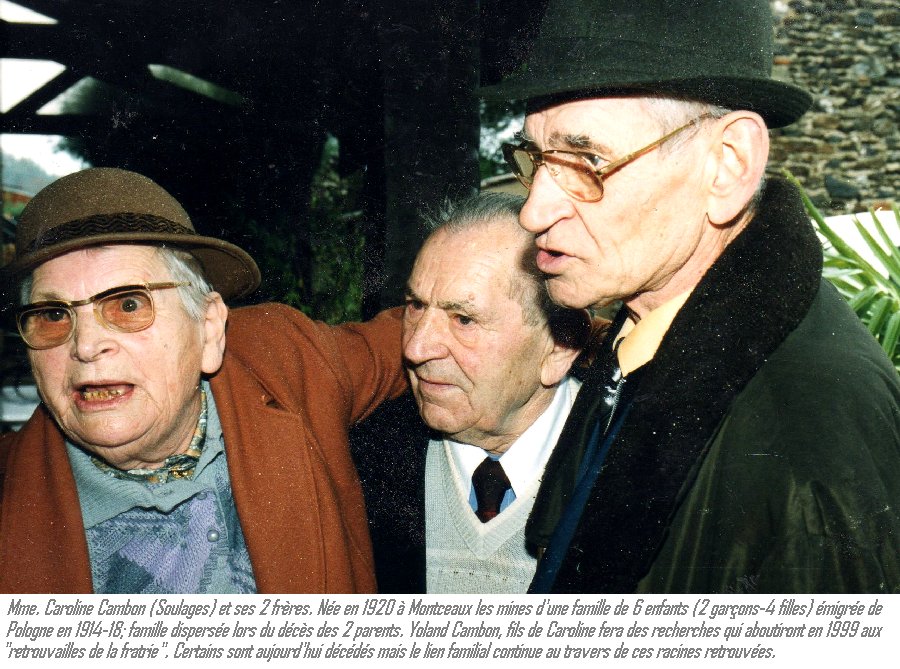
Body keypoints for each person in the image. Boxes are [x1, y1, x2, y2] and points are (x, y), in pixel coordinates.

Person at [482, 0, 900, 593]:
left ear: (727, 165)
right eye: (535, 159)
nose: (532, 212)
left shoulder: (809, 443)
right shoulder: (639, 347)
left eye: (588, 161)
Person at [0, 167, 407, 594]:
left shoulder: (287, 360)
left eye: (128, 304)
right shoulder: (13, 493)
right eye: (53, 315)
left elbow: (423, 336)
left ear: (209, 328)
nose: (85, 345)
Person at [350, 192, 590, 593]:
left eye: (463, 319)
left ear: (558, 348)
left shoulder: (622, 469)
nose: (415, 348)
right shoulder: (367, 459)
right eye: (415, 306)